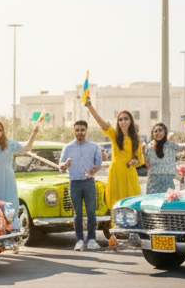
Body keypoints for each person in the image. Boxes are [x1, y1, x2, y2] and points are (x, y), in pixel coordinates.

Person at [84, 98, 143, 209]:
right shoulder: (114, 135)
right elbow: (102, 124)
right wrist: (90, 107)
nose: (123, 121)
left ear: (130, 121)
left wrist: (134, 161)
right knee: (116, 203)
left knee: (132, 203)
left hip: (129, 174)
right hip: (115, 173)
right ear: (118, 122)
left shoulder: (136, 139)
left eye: (126, 119)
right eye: (120, 119)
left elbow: (140, 160)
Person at [0, 119, 41, 213]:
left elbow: (26, 149)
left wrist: (34, 133)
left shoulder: (9, 144)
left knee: (10, 210)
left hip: (8, 182)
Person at [60, 120, 103, 250]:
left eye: (82, 130)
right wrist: (65, 165)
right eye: (77, 130)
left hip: (89, 183)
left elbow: (98, 164)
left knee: (91, 212)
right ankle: (79, 240)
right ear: (74, 131)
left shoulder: (94, 147)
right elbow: (60, 167)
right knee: (77, 213)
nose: (80, 133)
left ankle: (91, 239)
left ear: (86, 131)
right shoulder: (67, 148)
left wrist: (92, 171)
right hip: (74, 183)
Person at [143, 122, 185, 194]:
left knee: (167, 202)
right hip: (153, 181)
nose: (158, 133)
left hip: (168, 180)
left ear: (165, 132)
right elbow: (147, 166)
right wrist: (143, 151)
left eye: (160, 130)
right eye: (155, 131)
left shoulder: (171, 145)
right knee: (152, 203)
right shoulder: (149, 147)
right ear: (152, 133)